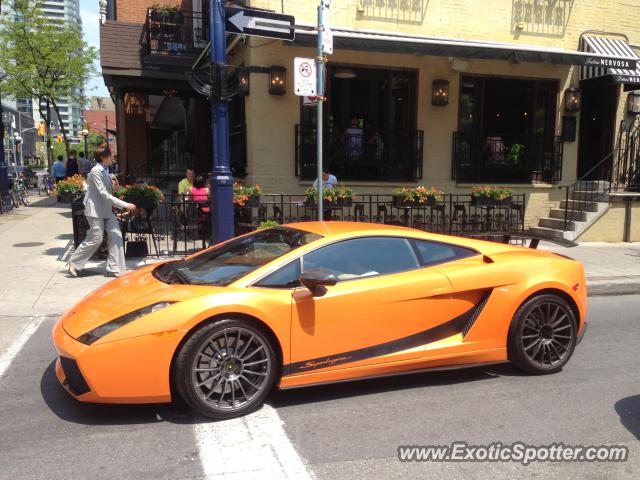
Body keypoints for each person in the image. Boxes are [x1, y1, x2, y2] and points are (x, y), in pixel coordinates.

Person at [67, 145, 136, 278]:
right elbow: (103, 193)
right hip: (94, 210)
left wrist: (115, 186)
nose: (112, 158)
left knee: (116, 235)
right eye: (111, 155)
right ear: (104, 157)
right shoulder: (95, 171)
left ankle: (113, 268)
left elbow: (107, 191)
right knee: (96, 239)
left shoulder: (106, 169)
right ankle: (74, 263)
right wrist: (124, 204)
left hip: (106, 209)